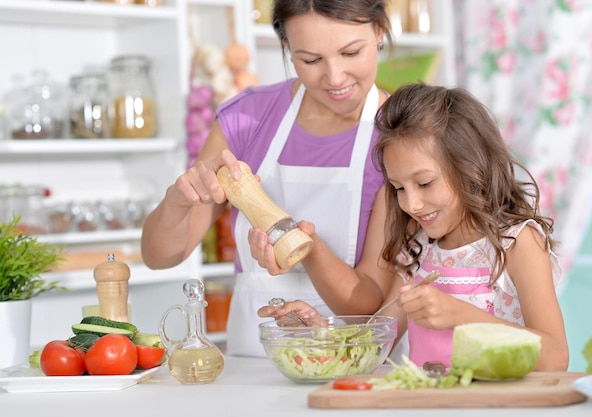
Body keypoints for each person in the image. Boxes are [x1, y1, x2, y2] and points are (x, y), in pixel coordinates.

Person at [141, 0, 399, 357]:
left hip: (349, 359)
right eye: (310, 60)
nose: (335, 77)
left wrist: (299, 245)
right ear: (287, 49)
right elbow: (160, 256)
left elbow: (366, 303)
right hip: (253, 357)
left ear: (379, 32)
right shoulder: (248, 118)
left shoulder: (399, 135)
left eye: (351, 52)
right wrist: (178, 200)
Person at [265, 83, 570, 371]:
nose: (410, 205)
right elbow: (372, 345)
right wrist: (319, 329)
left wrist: (462, 316)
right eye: (399, 188)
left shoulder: (516, 243)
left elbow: (555, 357)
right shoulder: (420, 248)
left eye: (424, 183)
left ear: (470, 167)